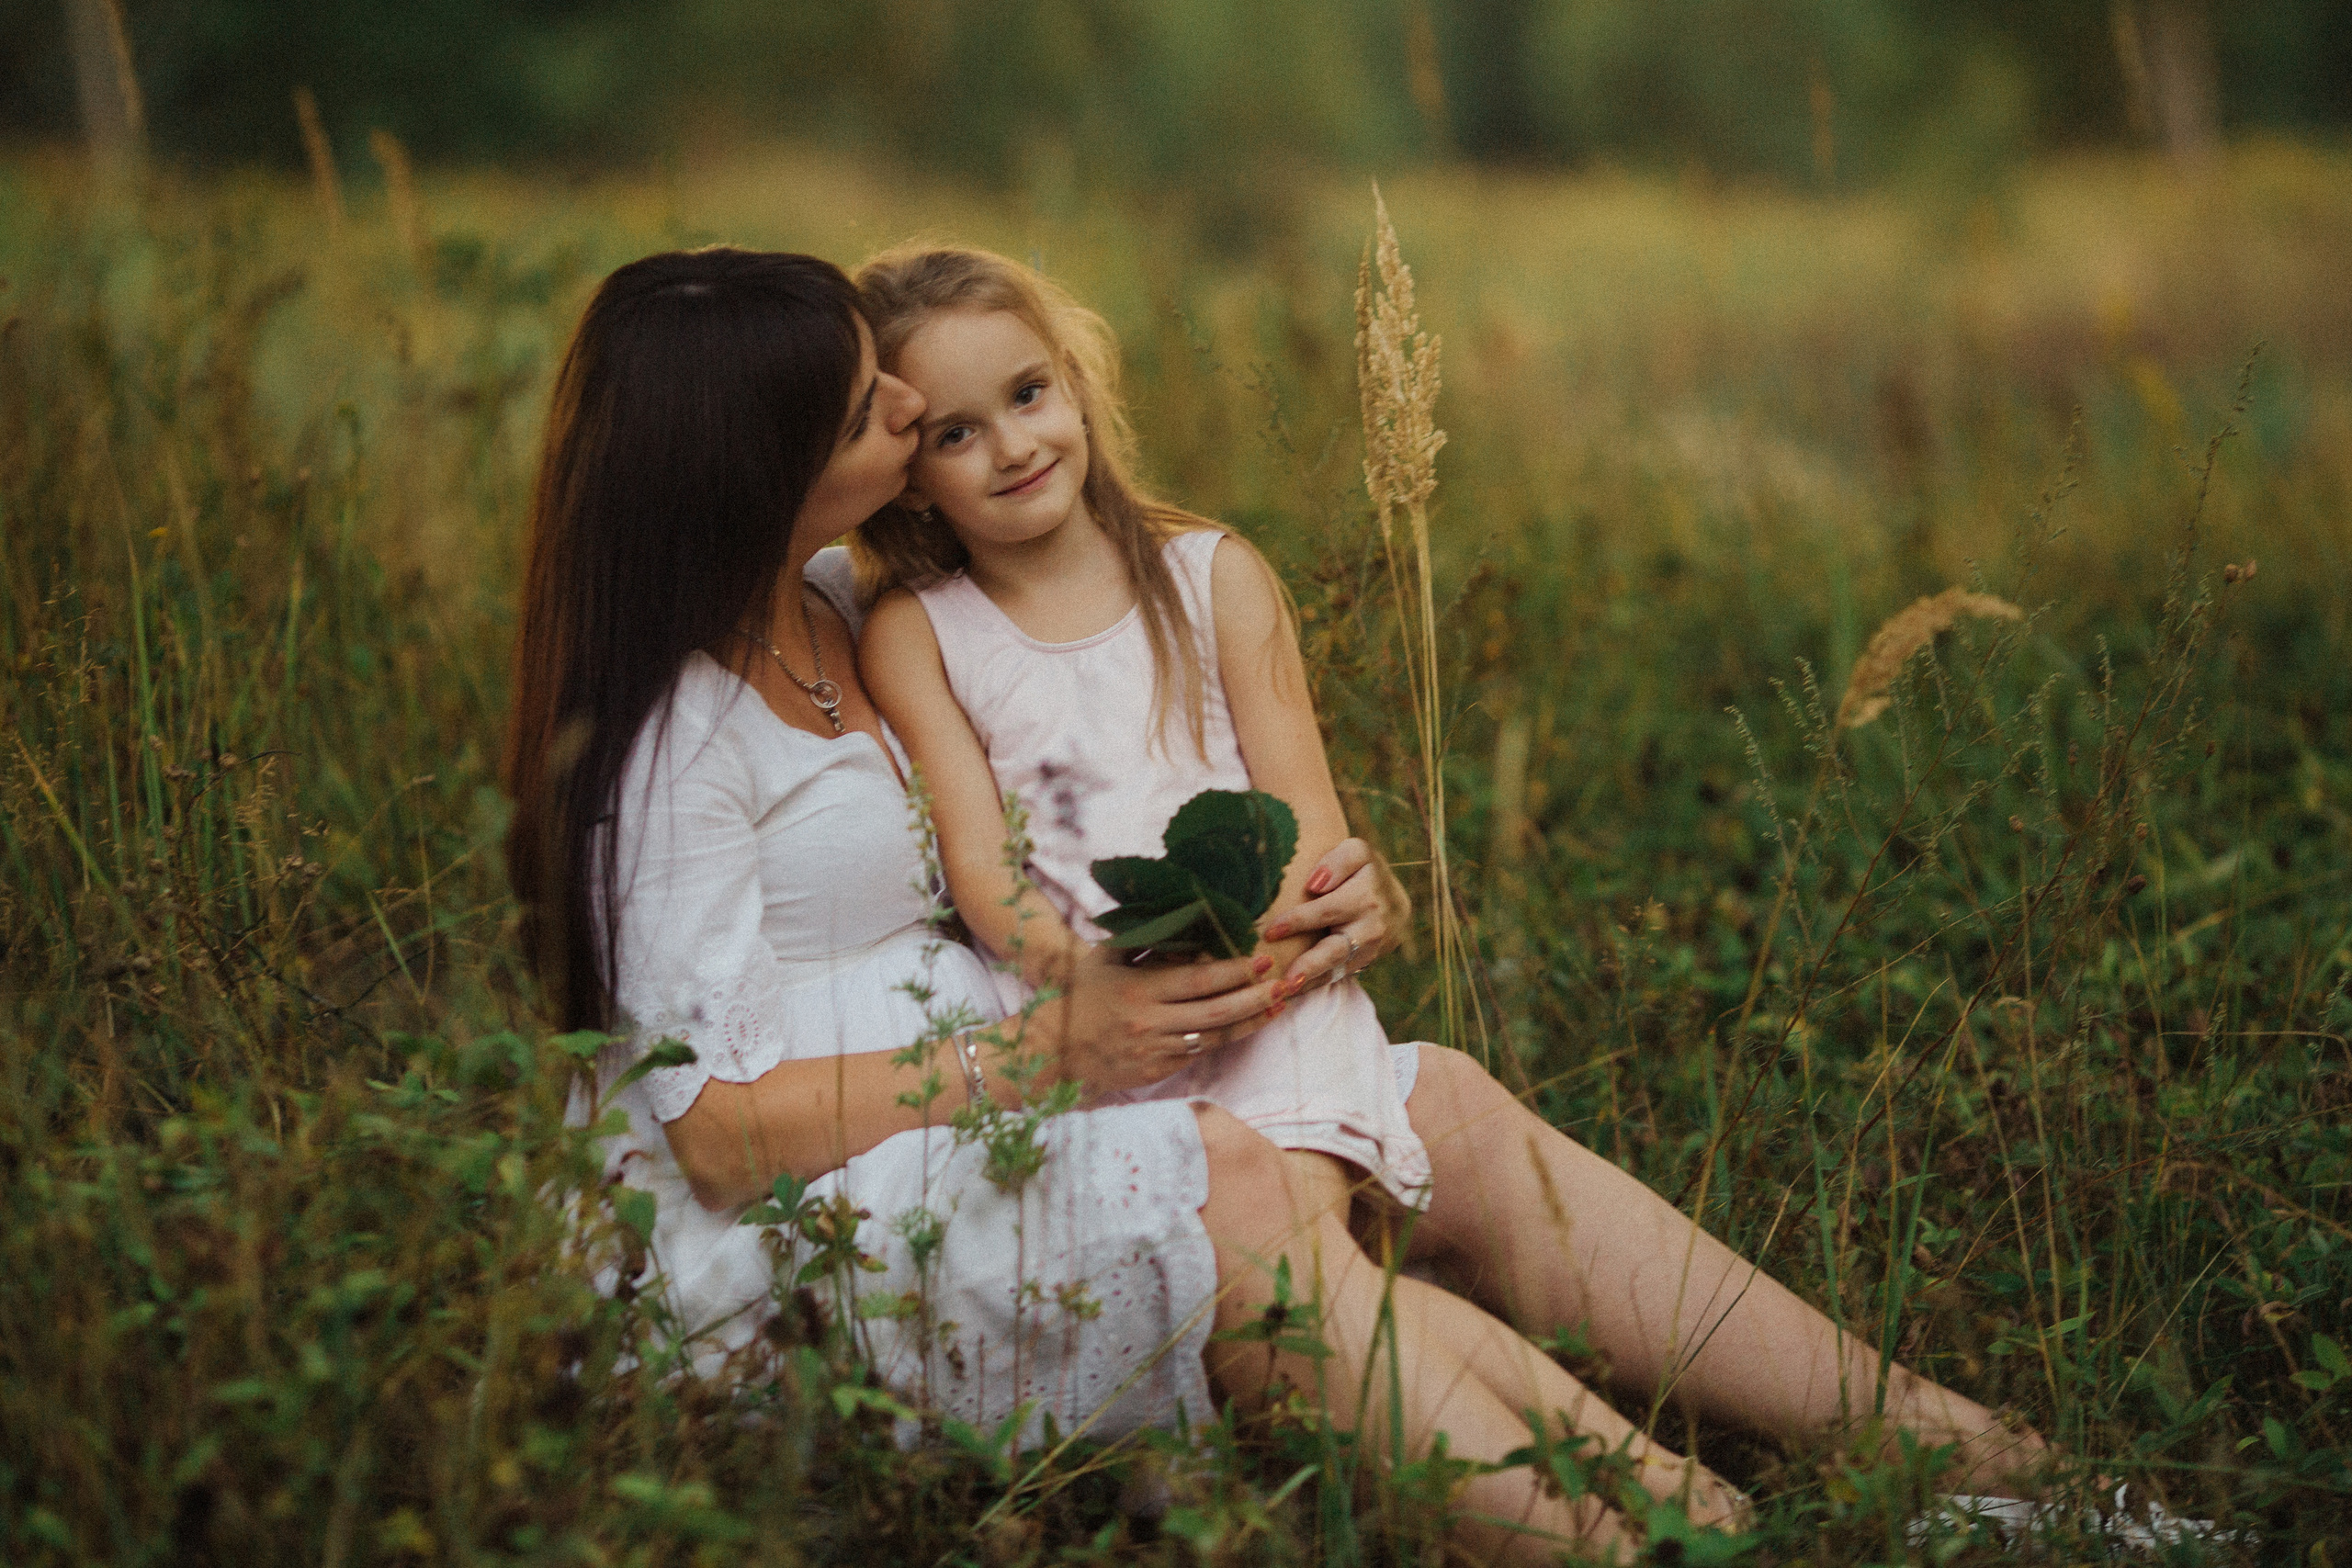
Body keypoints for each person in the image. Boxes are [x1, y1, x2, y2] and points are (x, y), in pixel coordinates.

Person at [503, 246, 2046, 1565]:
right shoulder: (667, 744)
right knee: (1236, 1189)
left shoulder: (833, 603)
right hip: (789, 1212)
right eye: (868, 407)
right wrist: (1051, 1057)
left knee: (1446, 1107)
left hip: (966, 1080)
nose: (908, 409)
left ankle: (1956, 1452)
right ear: (759, 471)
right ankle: (1671, 1532)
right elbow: (707, 1132)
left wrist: (1322, 882)